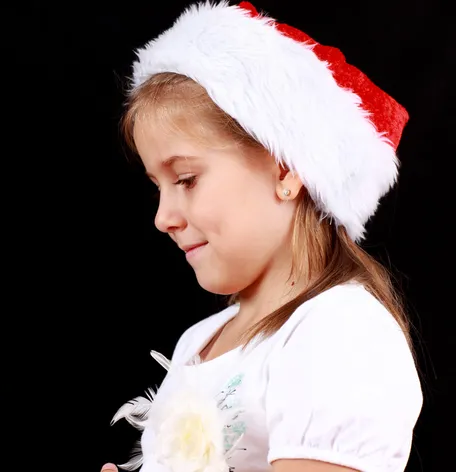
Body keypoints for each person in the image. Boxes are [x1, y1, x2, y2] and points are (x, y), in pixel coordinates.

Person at [103, 1, 423, 471]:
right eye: (158, 187)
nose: (162, 217)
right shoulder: (199, 342)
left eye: (187, 179)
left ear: (286, 168)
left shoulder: (341, 331)